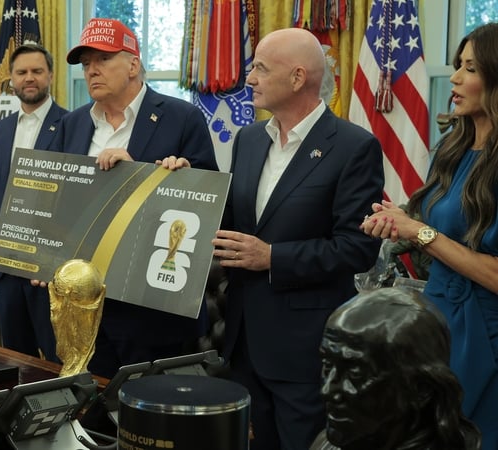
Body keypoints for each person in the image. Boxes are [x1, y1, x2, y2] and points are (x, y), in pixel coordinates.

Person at [163, 28, 385, 449]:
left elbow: (358, 248)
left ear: (298, 78)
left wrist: (273, 257)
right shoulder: (248, 139)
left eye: (261, 69)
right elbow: (230, 221)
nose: (249, 78)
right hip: (244, 342)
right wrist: (188, 183)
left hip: (305, 348)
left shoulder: (354, 147)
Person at [49, 18, 219, 379]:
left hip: (152, 308)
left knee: (149, 408)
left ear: (133, 64)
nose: (92, 70)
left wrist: (143, 174)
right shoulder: (72, 124)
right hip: (86, 305)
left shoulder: (182, 117)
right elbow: (60, 205)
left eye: (103, 59)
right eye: (86, 63)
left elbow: (210, 211)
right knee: (90, 404)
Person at [361, 22, 498, 450]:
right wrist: (399, 219)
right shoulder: (452, 149)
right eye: (458, 65)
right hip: (437, 320)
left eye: (470, 69)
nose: (454, 78)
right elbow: (440, 228)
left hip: (484, 333)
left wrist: (419, 231)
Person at [0, 43, 67, 361]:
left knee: (57, 361)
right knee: (15, 361)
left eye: (37, 71)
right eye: (22, 72)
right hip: (6, 268)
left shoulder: (73, 125)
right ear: (11, 79)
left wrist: (46, 253)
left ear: (50, 75)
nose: (29, 78)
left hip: (48, 272)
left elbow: (75, 200)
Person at [311, 287, 481, 450]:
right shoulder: (326, 444)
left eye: (355, 374)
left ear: (421, 388)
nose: (327, 391)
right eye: (327, 365)